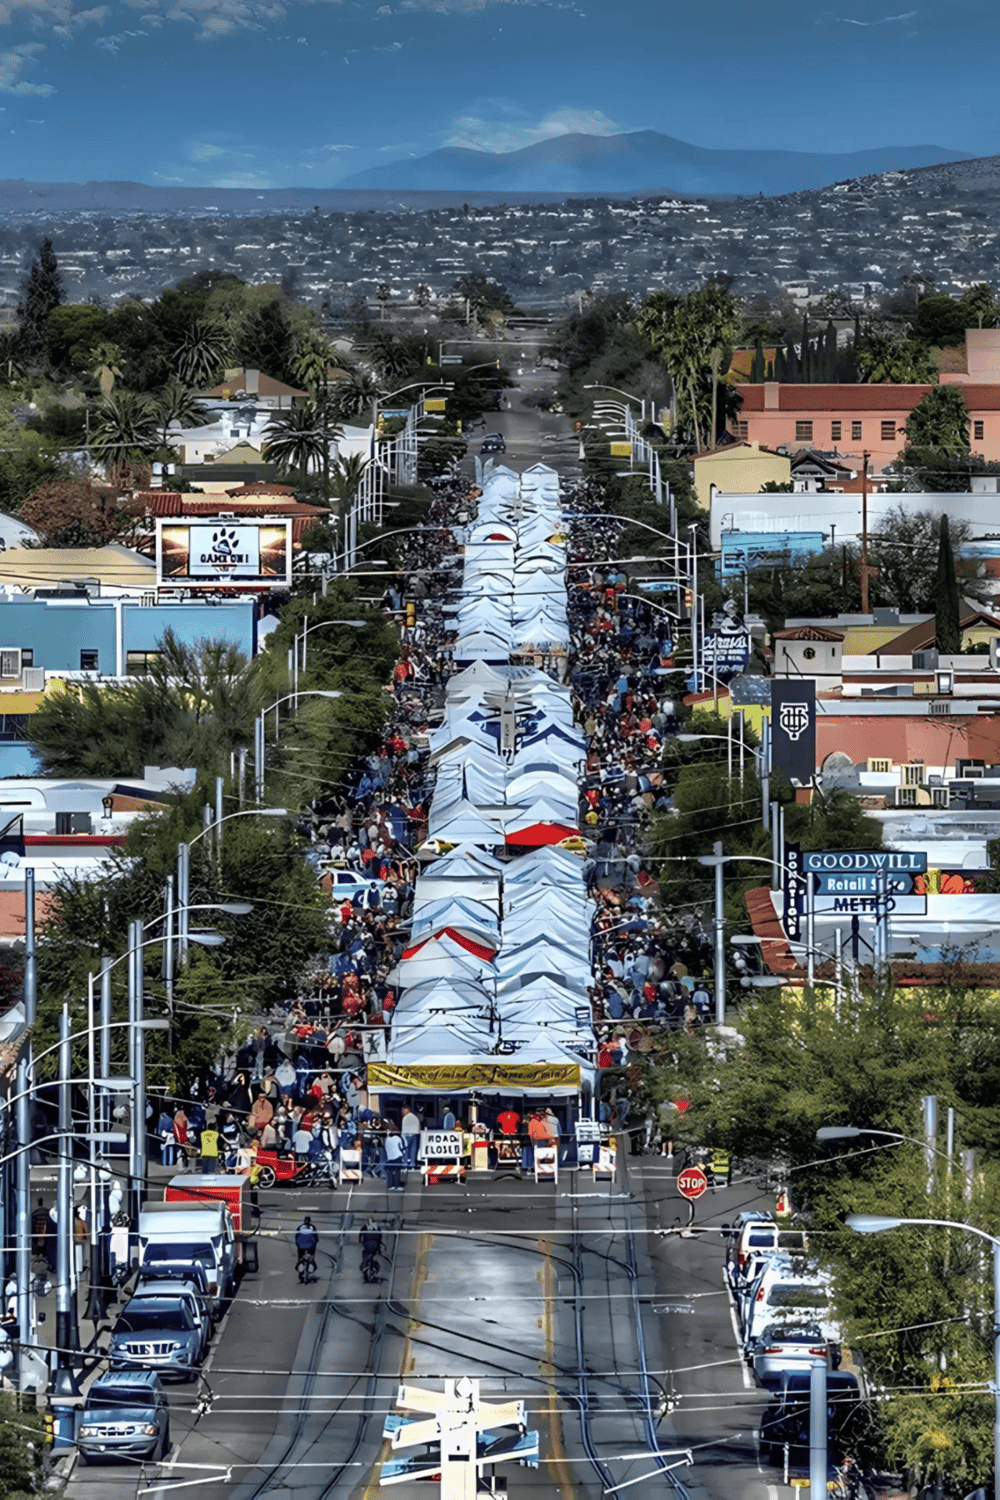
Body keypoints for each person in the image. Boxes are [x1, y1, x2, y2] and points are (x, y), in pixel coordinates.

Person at [294, 1216, 319, 1283]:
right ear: (310, 1221)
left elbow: (296, 1238)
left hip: (301, 1247)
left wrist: (298, 1245)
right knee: (311, 1258)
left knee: (300, 1258)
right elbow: (316, 1239)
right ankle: (310, 1272)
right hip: (311, 1246)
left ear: (304, 1221)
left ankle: (300, 1274)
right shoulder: (312, 1227)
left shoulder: (299, 1227)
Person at [400, 1103, 421, 1170]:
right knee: (413, 1150)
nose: (402, 1112)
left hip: (407, 1135)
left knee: (405, 1150)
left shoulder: (405, 1118)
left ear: (407, 1110)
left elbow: (404, 1128)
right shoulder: (415, 1117)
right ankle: (412, 1164)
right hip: (415, 1135)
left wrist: (402, 1136)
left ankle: (405, 1164)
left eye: (403, 1110)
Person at [383, 1124, 404, 1191]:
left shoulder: (386, 1139)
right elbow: (402, 1147)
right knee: (397, 1171)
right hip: (398, 1156)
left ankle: (390, 1186)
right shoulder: (398, 1138)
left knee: (390, 1172)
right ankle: (397, 1186)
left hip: (390, 1157)